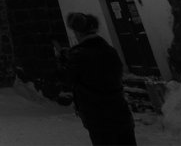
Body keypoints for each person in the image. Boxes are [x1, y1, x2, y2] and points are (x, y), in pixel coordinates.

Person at [58, 11, 136, 146]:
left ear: (78, 32)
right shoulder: (109, 51)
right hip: (120, 111)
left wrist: (64, 60)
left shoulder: (78, 55)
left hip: (97, 115)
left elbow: (69, 78)